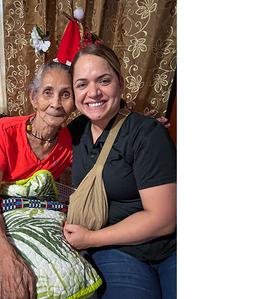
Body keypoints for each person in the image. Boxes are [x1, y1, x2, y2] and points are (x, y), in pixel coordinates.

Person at [64, 44, 177, 299]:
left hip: (168, 249)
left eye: (104, 80)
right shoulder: (74, 132)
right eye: (82, 84)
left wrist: (90, 239)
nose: (93, 92)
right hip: (117, 250)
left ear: (120, 83)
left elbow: (164, 219)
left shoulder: (146, 134)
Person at [0, 61, 75, 299]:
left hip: (32, 211)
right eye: (47, 92)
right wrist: (7, 259)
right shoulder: (6, 130)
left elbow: (55, 189)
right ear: (34, 98)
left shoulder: (68, 143)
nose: (55, 103)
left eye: (66, 94)